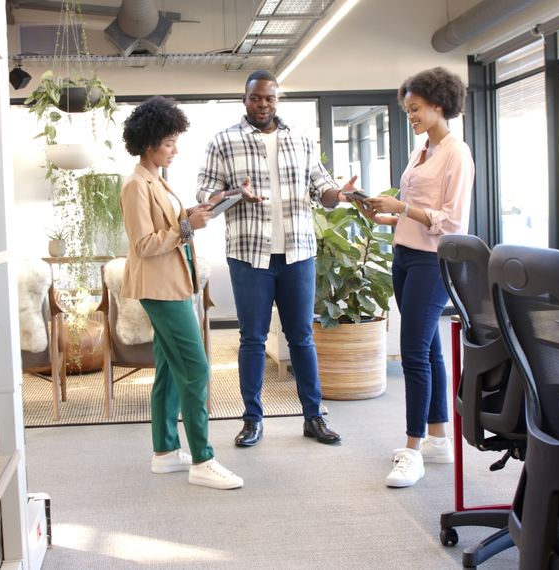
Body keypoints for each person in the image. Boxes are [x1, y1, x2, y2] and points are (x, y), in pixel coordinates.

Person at [197, 70, 358, 448]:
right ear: (245, 99)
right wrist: (237, 193)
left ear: (277, 100)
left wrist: (340, 194)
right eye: (256, 98)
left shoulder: (300, 140)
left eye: (269, 98)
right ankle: (252, 419)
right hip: (249, 256)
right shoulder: (224, 142)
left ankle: (313, 417)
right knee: (251, 339)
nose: (263, 104)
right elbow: (205, 195)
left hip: (298, 253)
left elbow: (323, 191)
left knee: (301, 337)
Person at [356, 67, 474, 488]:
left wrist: (402, 208)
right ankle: (438, 438)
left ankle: (412, 449)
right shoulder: (421, 150)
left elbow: (453, 221)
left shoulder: (456, 153)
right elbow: (414, 211)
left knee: (413, 353)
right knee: (429, 351)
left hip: (431, 261)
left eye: (416, 109)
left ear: (439, 104)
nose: (412, 117)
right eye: (407, 111)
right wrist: (385, 213)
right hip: (405, 255)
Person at [120, 96, 243, 490]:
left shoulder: (156, 180)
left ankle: (166, 452)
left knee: (171, 371)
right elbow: (144, 244)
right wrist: (188, 227)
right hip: (160, 289)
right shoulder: (136, 185)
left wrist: (203, 209)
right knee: (197, 370)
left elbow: (171, 223)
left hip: (172, 283)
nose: (175, 149)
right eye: (169, 142)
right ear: (149, 141)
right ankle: (203, 460)